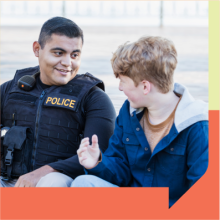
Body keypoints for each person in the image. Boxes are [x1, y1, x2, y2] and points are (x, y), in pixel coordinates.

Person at [71, 36, 208, 207]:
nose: (120, 87)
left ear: (145, 87)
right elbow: (120, 171)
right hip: (133, 204)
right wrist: (98, 161)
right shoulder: (128, 112)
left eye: (123, 81)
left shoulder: (198, 126)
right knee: (82, 183)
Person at [0, 17, 116, 187]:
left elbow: (99, 155)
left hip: (58, 183)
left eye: (74, 55)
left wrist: (43, 172)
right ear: (37, 49)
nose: (68, 63)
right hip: (8, 181)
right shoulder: (9, 90)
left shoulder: (93, 98)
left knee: (52, 182)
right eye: (58, 53)